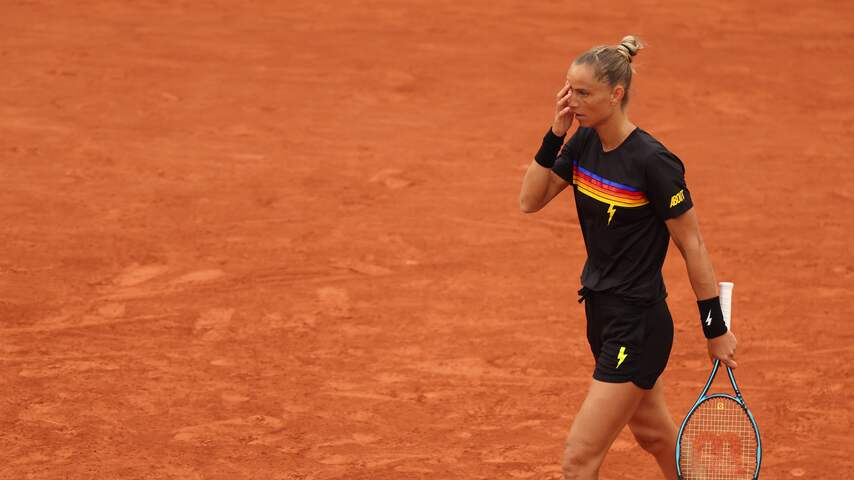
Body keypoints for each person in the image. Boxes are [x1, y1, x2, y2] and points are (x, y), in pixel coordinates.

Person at [518, 36, 739, 479]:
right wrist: (555, 133)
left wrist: (716, 329)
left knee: (578, 460)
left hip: (635, 324)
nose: (572, 101)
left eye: (583, 93)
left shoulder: (653, 163)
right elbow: (530, 200)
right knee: (656, 435)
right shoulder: (583, 145)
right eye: (568, 90)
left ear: (615, 95)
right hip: (600, 312)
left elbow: (692, 244)